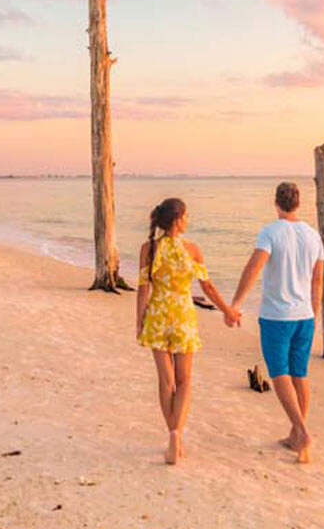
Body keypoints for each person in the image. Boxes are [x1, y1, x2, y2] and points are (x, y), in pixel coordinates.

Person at [135, 197, 238, 465]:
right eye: (186, 216)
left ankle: (172, 436)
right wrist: (227, 310)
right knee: (184, 382)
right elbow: (208, 288)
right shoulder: (192, 250)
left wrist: (139, 322)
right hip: (183, 316)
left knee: (165, 382)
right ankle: (176, 435)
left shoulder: (149, 248)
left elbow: (143, 288)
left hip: (157, 315)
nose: (188, 220)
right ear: (178, 220)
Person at [228, 181, 324, 463]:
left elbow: (254, 267)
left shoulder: (270, 232)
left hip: (276, 315)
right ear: (298, 203)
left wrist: (236, 303)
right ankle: (296, 434)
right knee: (300, 373)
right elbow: (318, 279)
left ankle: (303, 432)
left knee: (279, 371)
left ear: (276, 203)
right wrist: (314, 313)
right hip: (304, 315)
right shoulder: (313, 235)